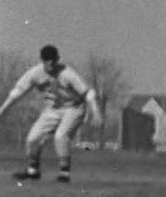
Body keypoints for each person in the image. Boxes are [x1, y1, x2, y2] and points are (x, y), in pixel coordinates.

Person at [1, 46, 100, 182]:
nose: (50, 63)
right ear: (42, 60)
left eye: (53, 60)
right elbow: (17, 93)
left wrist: (95, 112)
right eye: (47, 60)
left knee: (61, 136)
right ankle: (33, 172)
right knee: (32, 139)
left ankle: (64, 174)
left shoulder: (67, 73)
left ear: (57, 59)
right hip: (53, 109)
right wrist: (2, 110)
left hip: (74, 107)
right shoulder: (35, 73)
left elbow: (88, 93)